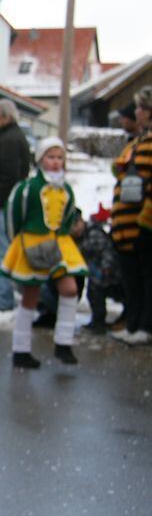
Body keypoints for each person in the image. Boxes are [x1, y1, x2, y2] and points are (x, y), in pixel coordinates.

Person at [1, 137, 87, 369]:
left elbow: (68, 216)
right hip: (33, 242)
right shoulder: (28, 188)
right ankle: (21, 349)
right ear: (40, 160)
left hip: (58, 244)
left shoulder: (66, 189)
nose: (56, 162)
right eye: (51, 157)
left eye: (60, 157)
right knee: (31, 296)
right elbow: (14, 214)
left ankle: (64, 343)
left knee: (70, 290)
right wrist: (18, 240)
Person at [0, 99, 31, 311]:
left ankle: (1, 300)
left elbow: (8, 175)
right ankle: (2, 298)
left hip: (2, 207)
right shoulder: (8, 138)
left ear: (8, 118)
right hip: (4, 205)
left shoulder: (8, 141)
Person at [109, 92, 152, 345]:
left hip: (143, 223)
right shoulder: (137, 141)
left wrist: (147, 221)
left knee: (147, 277)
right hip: (126, 224)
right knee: (132, 278)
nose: (135, 113)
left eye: (139, 108)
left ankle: (146, 327)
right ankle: (133, 323)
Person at [78, 205, 123, 333]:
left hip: (108, 272)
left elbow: (106, 252)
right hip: (99, 272)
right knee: (93, 293)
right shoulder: (85, 235)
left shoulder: (93, 234)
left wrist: (106, 268)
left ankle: (99, 323)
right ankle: (98, 321)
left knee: (96, 292)